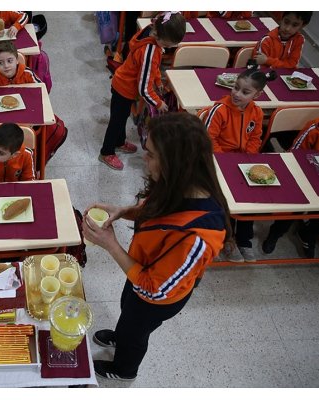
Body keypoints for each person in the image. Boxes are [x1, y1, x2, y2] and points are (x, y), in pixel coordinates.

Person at [83, 112, 230, 381]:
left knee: (136, 331)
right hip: (142, 270)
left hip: (159, 296)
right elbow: (152, 208)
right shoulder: (174, 184)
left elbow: (154, 288)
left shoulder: (199, 235)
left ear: (175, 162)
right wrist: (123, 210)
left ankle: (124, 369)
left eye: (149, 154)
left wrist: (111, 245)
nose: (144, 158)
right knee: (128, 308)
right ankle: (121, 336)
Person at [202, 65, 277, 262]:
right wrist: (227, 160)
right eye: (235, 88)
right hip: (218, 162)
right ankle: (227, 238)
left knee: (249, 199)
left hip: (243, 162)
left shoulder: (257, 113)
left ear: (257, 95)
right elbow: (209, 139)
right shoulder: (219, 110)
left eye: (245, 92)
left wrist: (248, 158)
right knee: (225, 201)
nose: (236, 94)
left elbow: (256, 137)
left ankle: (244, 240)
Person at [98, 12, 185, 171]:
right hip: (124, 88)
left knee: (123, 116)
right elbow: (143, 88)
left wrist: (158, 80)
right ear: (160, 38)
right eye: (167, 45)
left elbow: (154, 68)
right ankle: (107, 152)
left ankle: (119, 141)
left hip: (125, 86)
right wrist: (158, 103)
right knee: (116, 121)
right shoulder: (149, 51)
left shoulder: (152, 31)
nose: (167, 48)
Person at [262, 115, 319, 258]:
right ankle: (275, 234)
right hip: (306, 170)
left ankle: (308, 234)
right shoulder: (315, 128)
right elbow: (294, 154)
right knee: (295, 204)